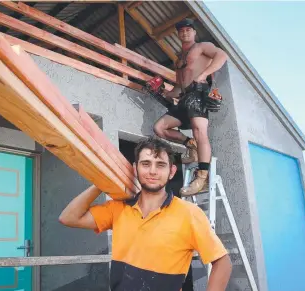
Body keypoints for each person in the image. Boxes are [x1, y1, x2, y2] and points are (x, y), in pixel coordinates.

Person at [59, 136, 232, 291]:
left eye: (160, 165)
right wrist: (102, 182)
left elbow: (223, 262)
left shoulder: (189, 214)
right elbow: (69, 217)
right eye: (146, 164)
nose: (152, 171)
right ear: (135, 168)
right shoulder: (118, 208)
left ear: (171, 172)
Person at [153, 18, 228, 196]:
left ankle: (202, 177)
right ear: (178, 35)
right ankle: (190, 145)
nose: (185, 33)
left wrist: (204, 74)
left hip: (199, 93)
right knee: (159, 128)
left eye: (188, 30)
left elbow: (222, 55)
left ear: (194, 32)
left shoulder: (202, 46)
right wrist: (163, 92)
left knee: (199, 130)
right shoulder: (179, 60)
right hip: (185, 97)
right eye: (181, 31)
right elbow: (178, 88)